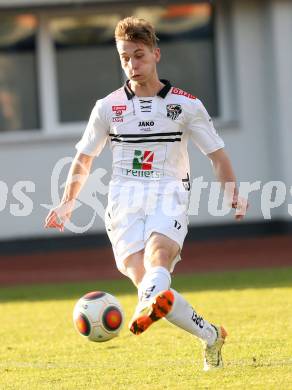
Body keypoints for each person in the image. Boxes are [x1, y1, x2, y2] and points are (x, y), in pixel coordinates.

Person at [45, 16, 247, 371]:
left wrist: (233, 192)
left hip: (168, 192)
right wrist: (68, 201)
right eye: (124, 57)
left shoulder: (186, 105)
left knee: (158, 259)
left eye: (138, 56)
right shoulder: (107, 107)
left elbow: (216, 154)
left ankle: (146, 305)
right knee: (154, 289)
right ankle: (212, 336)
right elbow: (84, 158)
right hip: (123, 201)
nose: (131, 65)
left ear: (156, 54)